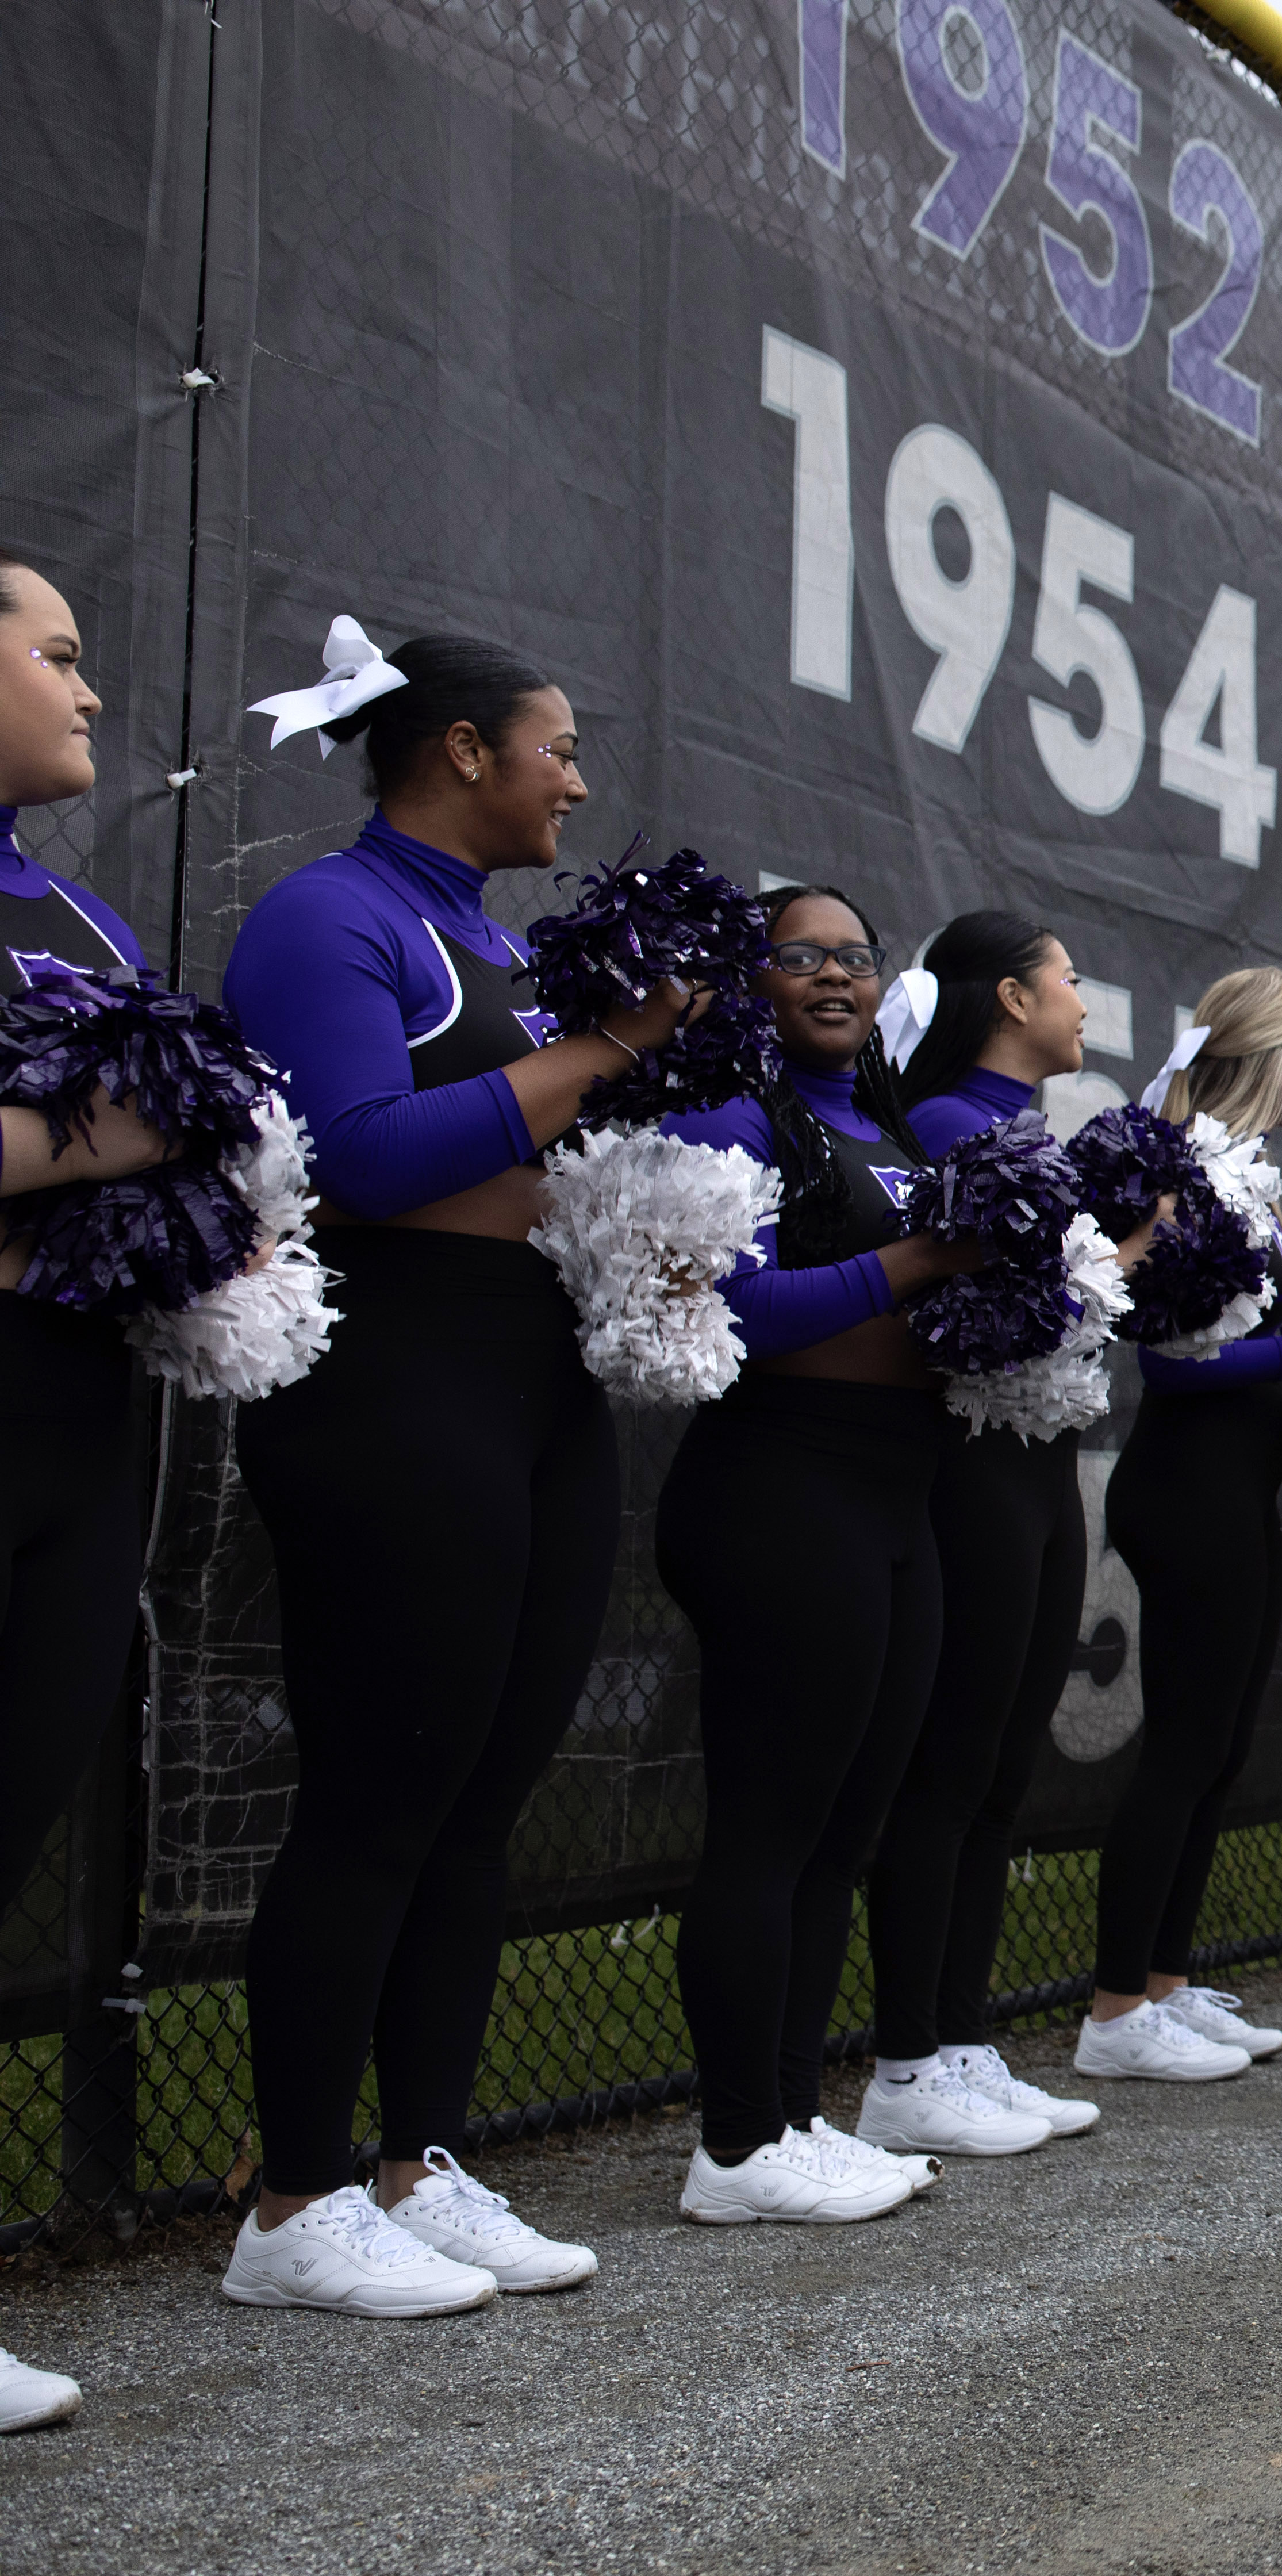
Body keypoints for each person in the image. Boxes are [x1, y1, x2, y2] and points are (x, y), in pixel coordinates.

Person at [220, 630, 696, 2312]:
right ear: (466, 750)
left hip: (532, 1375)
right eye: (555, 747)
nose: (577, 780)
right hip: (393, 1374)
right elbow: (356, 1157)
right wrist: (605, 1052)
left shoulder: (502, 944)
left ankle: (420, 2159)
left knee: (485, 1794)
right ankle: (293, 2199)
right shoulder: (330, 916)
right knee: (382, 1787)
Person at [657, 888, 989, 2222]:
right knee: (771, 1827)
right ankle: (736, 2142)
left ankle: (792, 2113)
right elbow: (742, 1309)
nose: (835, 975)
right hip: (780, 1487)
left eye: (855, 955)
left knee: (843, 1831)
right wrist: (923, 1261)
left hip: (896, 1495)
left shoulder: (889, 1124)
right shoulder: (730, 1117)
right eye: (800, 956)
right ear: (752, 981)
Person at [0, 554, 192, 2418]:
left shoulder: (81, 916)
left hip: (79, 1405)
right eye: (57, 652)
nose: (90, 689)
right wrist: (104, 1137)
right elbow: (127, 1127)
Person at [853, 913, 1120, 2159]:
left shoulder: (1019, 1127)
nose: (1082, 1001)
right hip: (973, 1469)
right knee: (953, 1763)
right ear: (1012, 997)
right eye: (1068, 980)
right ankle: (906, 2059)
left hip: (1037, 1467)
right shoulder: (952, 1124)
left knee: (1002, 1765)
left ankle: (960, 2041)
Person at [1081, 968, 1282, 2079]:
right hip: (1188, 1489)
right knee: (1187, 1745)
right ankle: (1112, 2013)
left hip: (1237, 1486)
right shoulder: (1187, 1174)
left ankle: (1164, 1983)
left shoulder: (1248, 1178)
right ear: (1273, 1058)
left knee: (1221, 1745)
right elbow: (1170, 1362)